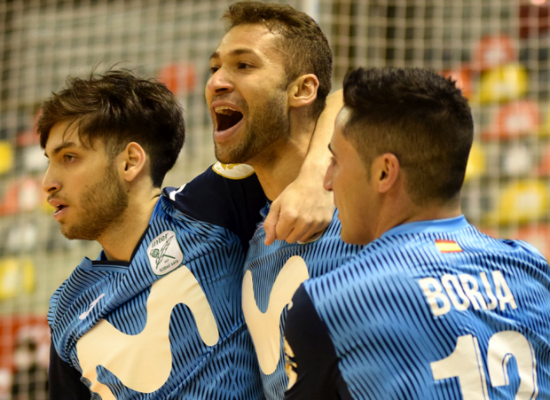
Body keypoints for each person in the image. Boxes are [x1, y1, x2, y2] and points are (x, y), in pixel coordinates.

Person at [40, 68, 331, 399]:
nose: (48, 182)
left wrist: (312, 178)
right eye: (49, 160)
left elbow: (341, 104)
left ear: (130, 162)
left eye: (69, 157)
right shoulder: (66, 310)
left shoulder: (209, 207)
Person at [283, 67, 550, 399]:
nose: (326, 182)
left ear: (385, 172)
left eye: (336, 161)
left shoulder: (331, 302)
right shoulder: (531, 270)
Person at [206, 3, 363, 399]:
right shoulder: (252, 234)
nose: (216, 82)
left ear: (303, 90)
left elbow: (363, 92)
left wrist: (316, 177)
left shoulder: (370, 213)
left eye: (244, 65)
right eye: (214, 68)